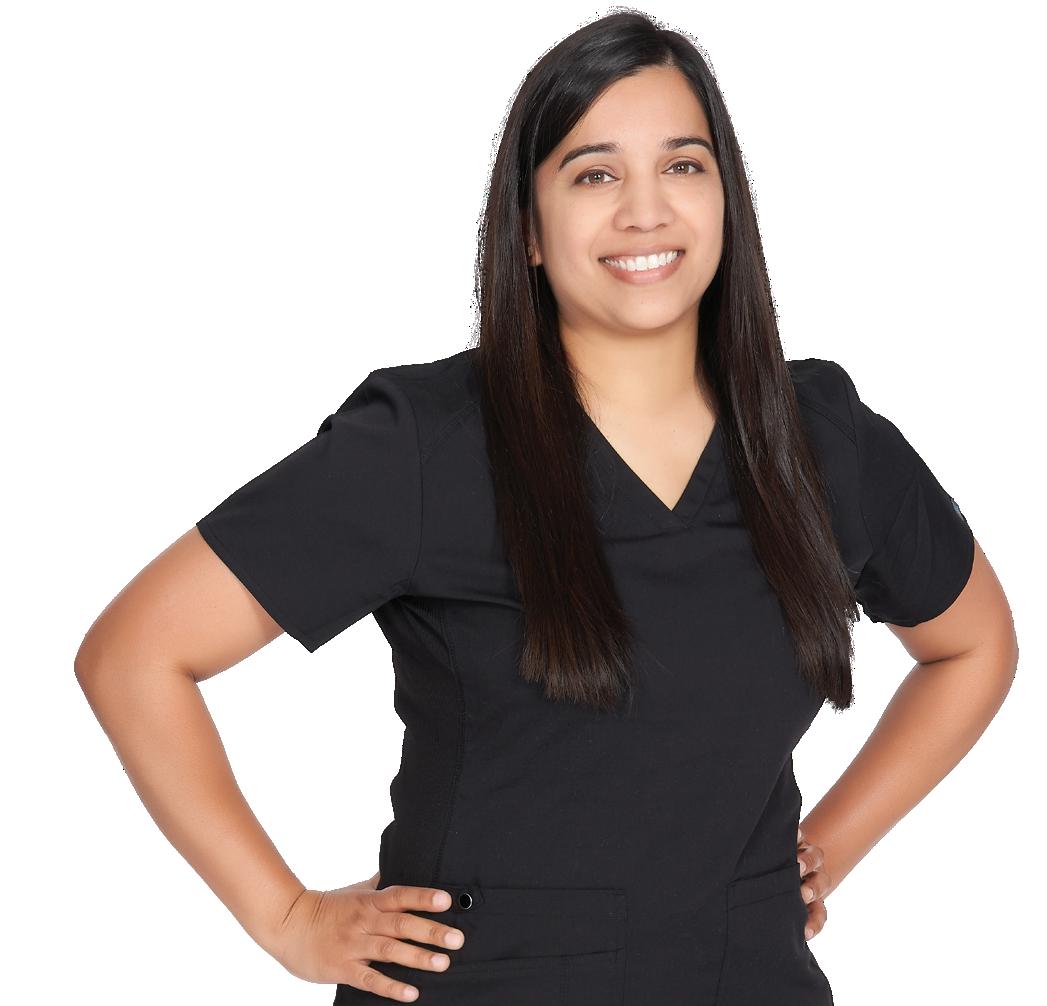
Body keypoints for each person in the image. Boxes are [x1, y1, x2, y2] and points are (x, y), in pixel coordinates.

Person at [74, 11, 1017, 1006]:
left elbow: (973, 645)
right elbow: (134, 655)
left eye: (683, 166)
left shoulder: (820, 438)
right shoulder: (425, 445)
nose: (646, 210)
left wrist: (831, 844)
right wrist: (287, 918)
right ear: (527, 228)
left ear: (727, 202)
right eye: (594, 174)